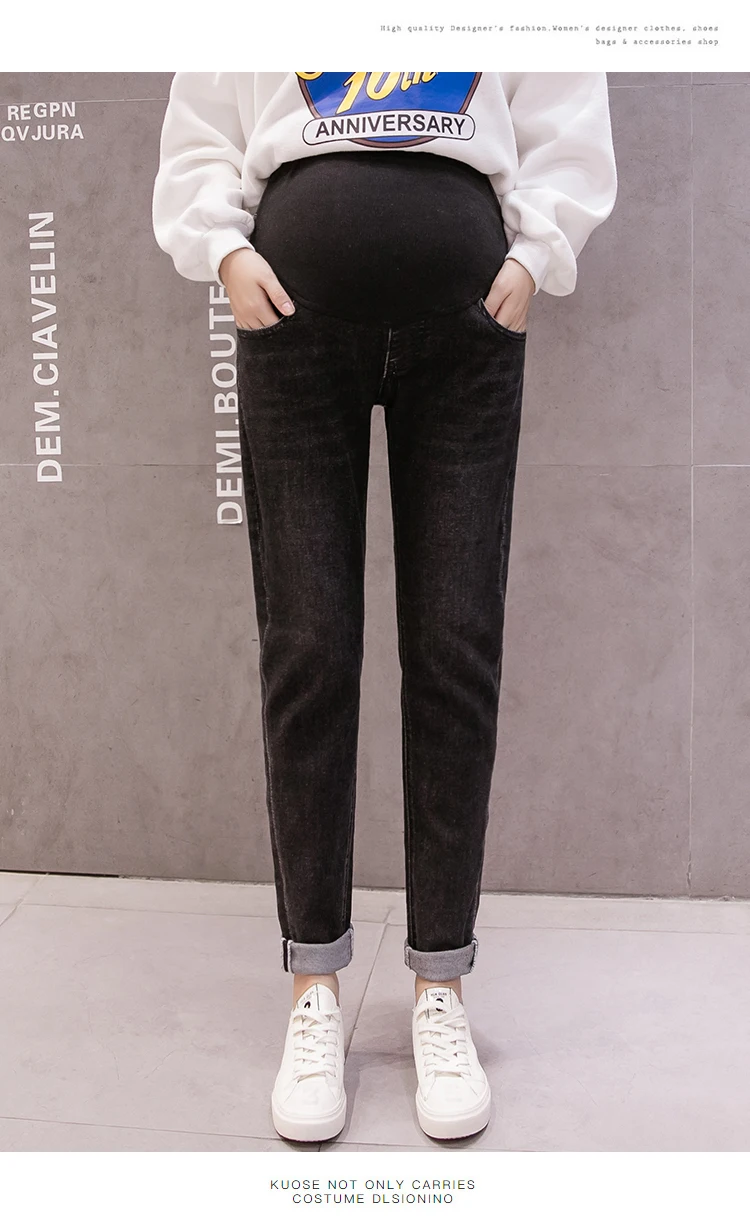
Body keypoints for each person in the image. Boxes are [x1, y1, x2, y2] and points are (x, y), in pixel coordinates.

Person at [152, 71, 617, 1144]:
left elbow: (565, 98)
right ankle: (314, 988)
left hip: (467, 327)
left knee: (456, 646)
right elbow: (202, 122)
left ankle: (440, 987)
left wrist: (531, 258)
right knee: (308, 647)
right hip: (293, 320)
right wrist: (225, 250)